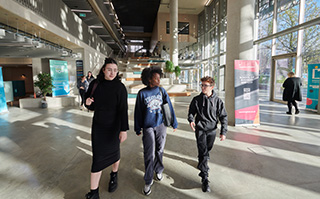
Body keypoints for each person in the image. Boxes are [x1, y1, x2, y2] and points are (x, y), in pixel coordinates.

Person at [84, 58, 129, 199]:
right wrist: (87, 103)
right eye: (109, 69)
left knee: (114, 153)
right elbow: (90, 103)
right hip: (99, 126)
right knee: (97, 158)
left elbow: (123, 110)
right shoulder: (96, 84)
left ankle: (114, 174)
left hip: (114, 126)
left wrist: (123, 130)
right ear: (103, 69)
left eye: (115, 70)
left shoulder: (120, 88)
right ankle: (94, 192)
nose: (112, 73)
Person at [134, 67, 178, 196]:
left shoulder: (161, 91)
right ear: (149, 79)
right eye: (156, 78)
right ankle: (148, 180)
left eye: (159, 77)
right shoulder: (142, 93)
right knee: (149, 153)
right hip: (148, 127)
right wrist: (137, 127)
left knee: (159, 150)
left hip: (161, 125)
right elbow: (138, 112)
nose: (159, 80)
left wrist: (174, 123)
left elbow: (169, 107)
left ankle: (158, 170)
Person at [187, 76, 228, 193]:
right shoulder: (196, 100)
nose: (203, 87)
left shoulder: (218, 101)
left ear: (212, 87)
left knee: (207, 150)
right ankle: (205, 177)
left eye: (205, 85)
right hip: (200, 129)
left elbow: (223, 117)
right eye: (202, 85)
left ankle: (202, 161)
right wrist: (191, 120)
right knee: (203, 151)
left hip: (212, 130)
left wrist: (223, 132)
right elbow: (191, 112)